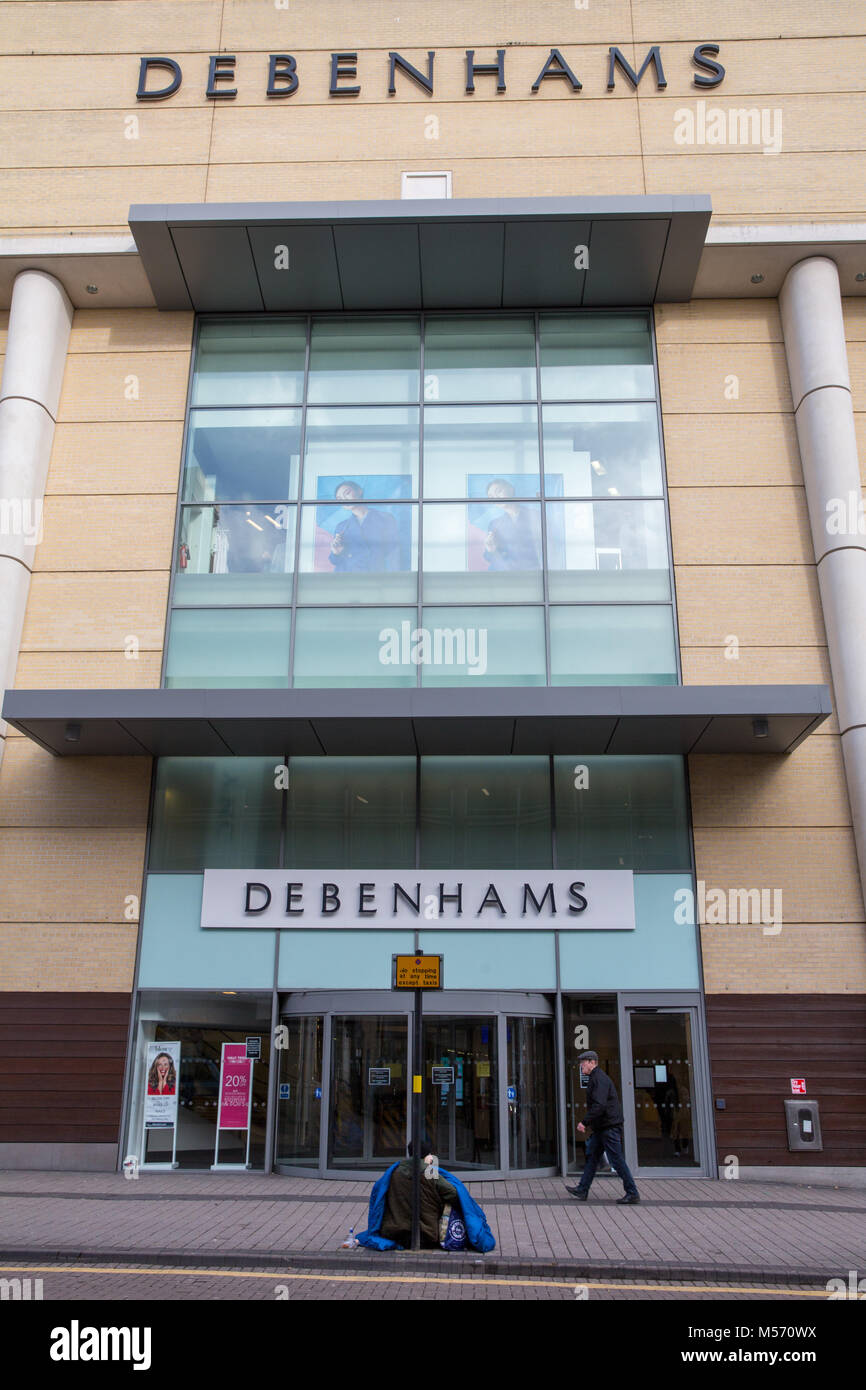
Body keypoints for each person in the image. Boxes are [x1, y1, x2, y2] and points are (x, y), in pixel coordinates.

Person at [566, 1050, 640, 1204]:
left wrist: (584, 1122)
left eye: (583, 1062)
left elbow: (599, 1105)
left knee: (616, 1160)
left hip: (609, 1127)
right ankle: (582, 1189)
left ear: (593, 1062)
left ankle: (632, 1192)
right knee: (592, 1157)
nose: (581, 1066)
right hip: (603, 1127)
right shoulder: (596, 1078)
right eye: (581, 1063)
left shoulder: (599, 1079)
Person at [379, 1144, 458, 1249]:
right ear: (426, 1156)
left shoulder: (395, 1171)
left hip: (395, 1232)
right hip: (426, 1235)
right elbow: (452, 1192)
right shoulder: (429, 1172)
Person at [328, 480, 401, 573]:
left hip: (375, 576)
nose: (344, 499)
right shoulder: (342, 527)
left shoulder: (385, 518)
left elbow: (394, 552)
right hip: (347, 578)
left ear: (359, 491)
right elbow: (335, 561)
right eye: (339, 498)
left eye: (347, 493)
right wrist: (336, 552)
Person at [482, 478, 541, 571]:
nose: (496, 497)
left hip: (534, 573)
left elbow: (550, 547)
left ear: (510, 489)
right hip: (507, 575)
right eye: (491, 497)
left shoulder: (535, 516)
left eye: (498, 491)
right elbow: (489, 557)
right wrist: (491, 549)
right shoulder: (495, 524)